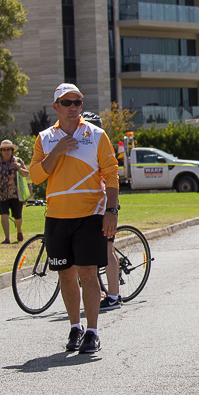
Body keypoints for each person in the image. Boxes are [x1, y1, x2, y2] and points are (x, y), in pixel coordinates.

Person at [30, 84, 119, 354]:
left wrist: (111, 211)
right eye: (66, 102)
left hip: (89, 215)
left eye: (77, 102)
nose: (73, 107)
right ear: (56, 106)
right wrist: (57, 150)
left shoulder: (96, 135)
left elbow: (111, 174)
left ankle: (92, 331)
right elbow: (35, 176)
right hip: (57, 217)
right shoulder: (45, 138)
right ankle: (74, 326)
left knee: (88, 274)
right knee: (66, 276)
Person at [80, 112, 122, 312]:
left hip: (104, 205)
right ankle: (102, 292)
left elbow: (110, 177)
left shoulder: (99, 145)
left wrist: (110, 209)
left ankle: (114, 296)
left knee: (108, 249)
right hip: (89, 207)